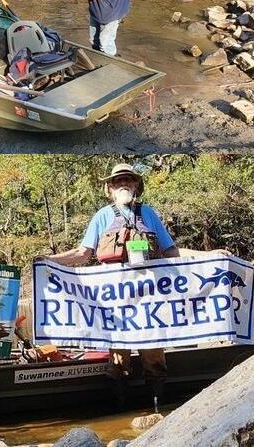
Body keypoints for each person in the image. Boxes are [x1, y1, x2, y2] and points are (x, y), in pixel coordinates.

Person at [40, 163, 189, 408]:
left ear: (136, 186)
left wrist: (208, 255)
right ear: (109, 189)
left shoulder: (149, 214)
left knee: (154, 358)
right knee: (119, 361)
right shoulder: (102, 216)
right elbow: (82, 254)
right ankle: (120, 409)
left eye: (129, 180)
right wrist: (49, 260)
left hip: (149, 301)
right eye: (118, 181)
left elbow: (171, 251)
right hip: (115, 306)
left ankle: (157, 408)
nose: (124, 184)